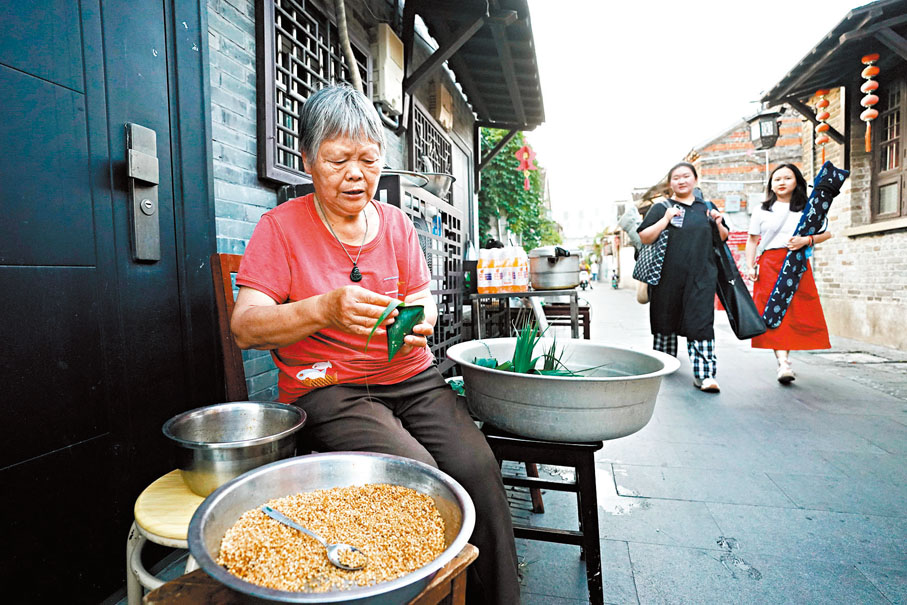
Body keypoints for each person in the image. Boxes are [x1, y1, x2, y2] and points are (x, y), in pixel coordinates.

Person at [230, 85, 520, 604]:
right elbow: (246, 325)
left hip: (412, 377)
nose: (356, 174)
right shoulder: (279, 228)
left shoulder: (397, 225)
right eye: (338, 159)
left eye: (369, 159)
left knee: (477, 468)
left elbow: (423, 296)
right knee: (419, 478)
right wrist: (323, 308)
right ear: (307, 161)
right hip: (329, 387)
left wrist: (422, 319)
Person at [637, 162, 728, 392]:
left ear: (695, 179)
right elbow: (645, 237)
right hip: (667, 278)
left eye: (686, 176)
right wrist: (666, 218)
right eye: (676, 177)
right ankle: (664, 364)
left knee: (701, 323)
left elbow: (723, 238)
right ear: (670, 184)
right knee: (665, 320)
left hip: (702, 276)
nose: (681, 180)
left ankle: (705, 375)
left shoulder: (706, 207)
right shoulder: (661, 207)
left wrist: (717, 222)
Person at [744, 163, 831, 384]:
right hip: (770, 264)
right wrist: (750, 266)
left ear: (797, 182)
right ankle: (783, 362)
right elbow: (753, 240)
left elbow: (826, 233)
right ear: (771, 184)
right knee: (773, 312)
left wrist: (806, 240)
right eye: (777, 179)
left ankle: (785, 360)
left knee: (795, 311)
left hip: (797, 263)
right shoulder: (762, 210)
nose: (781, 183)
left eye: (787, 178)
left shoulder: (807, 208)